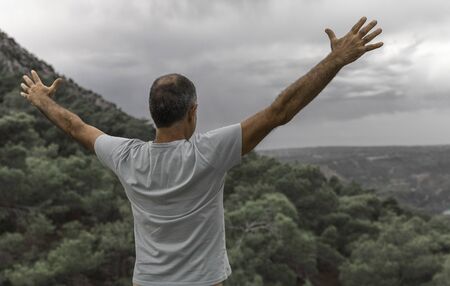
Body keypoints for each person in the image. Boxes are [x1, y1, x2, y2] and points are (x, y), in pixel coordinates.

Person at [20, 16, 382, 286]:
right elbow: (280, 111)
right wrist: (335, 60)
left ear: (152, 112)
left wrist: (40, 100)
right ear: (193, 112)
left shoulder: (126, 157)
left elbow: (76, 127)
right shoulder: (208, 153)